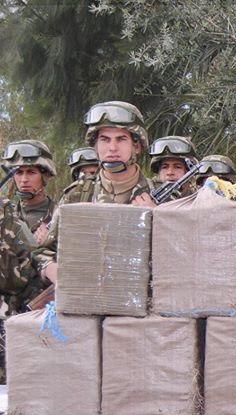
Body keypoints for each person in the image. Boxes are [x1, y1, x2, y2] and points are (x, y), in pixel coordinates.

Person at [33, 100, 155, 286]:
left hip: (139, 297)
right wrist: (55, 272)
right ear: (96, 146)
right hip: (86, 294)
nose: (112, 148)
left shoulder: (156, 195)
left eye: (121, 139)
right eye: (105, 140)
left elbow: (179, 254)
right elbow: (41, 251)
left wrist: (158, 219)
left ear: (136, 146)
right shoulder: (78, 194)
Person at [2, 140, 57, 243]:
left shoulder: (58, 217)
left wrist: (49, 239)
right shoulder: (6, 216)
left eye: (31, 172)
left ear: (45, 176)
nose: (24, 180)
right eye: (19, 173)